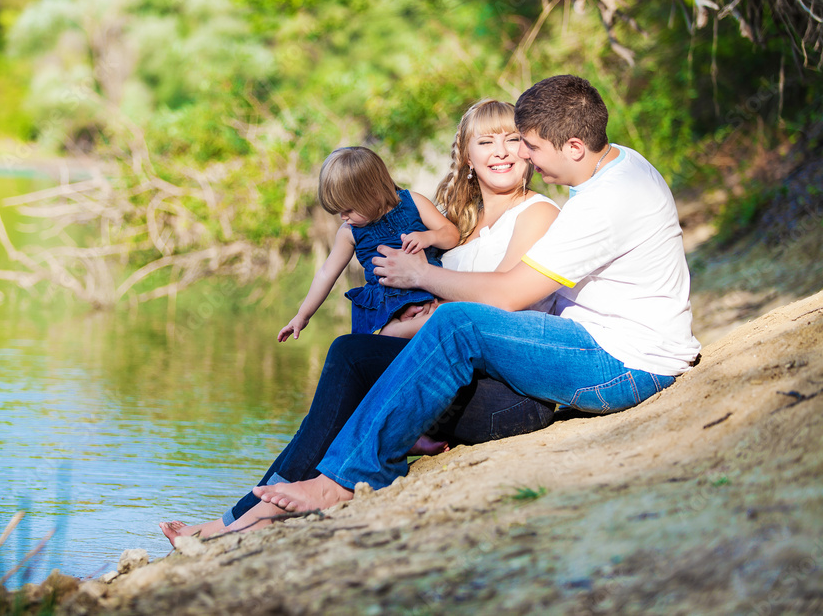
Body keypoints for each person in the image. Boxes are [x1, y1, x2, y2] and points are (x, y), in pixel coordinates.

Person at [253, 74, 702, 514]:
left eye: (531, 146)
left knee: (456, 324)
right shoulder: (621, 165)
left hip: (624, 364)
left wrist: (419, 275)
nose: (522, 155)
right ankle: (263, 504)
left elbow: (508, 294)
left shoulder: (602, 203)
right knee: (369, 351)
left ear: (575, 147)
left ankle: (343, 481)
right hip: (603, 343)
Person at [160, 98, 560, 544]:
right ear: (468, 155)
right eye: (487, 141)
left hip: (505, 393)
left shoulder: (537, 213)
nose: (501, 151)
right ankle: (246, 513)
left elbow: (503, 306)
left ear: (528, 148)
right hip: (452, 376)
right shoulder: (463, 223)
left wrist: (401, 324)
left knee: (350, 356)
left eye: (511, 139)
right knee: (340, 383)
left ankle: (254, 513)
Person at [278, 146, 458, 342]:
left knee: (439, 317)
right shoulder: (348, 233)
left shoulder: (413, 202)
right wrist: (302, 315)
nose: (343, 217)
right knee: (386, 341)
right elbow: (326, 273)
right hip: (389, 306)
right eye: (338, 211)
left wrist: (429, 237)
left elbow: (451, 234)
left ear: (373, 193)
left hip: (429, 291)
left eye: (348, 210)